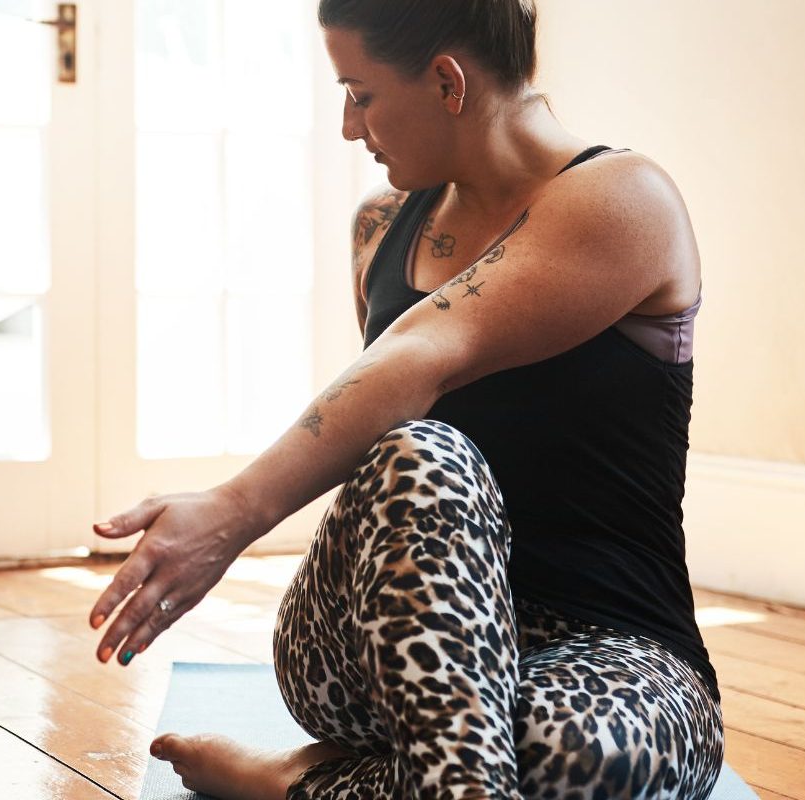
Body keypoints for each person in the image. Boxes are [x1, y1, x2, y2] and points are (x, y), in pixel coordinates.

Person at [87, 0, 724, 797]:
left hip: (610, 642)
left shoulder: (625, 200)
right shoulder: (382, 226)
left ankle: (294, 786)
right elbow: (390, 409)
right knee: (421, 455)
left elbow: (422, 353)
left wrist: (231, 513)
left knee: (565, 760)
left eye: (360, 93)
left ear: (448, 82)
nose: (351, 127)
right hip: (376, 648)